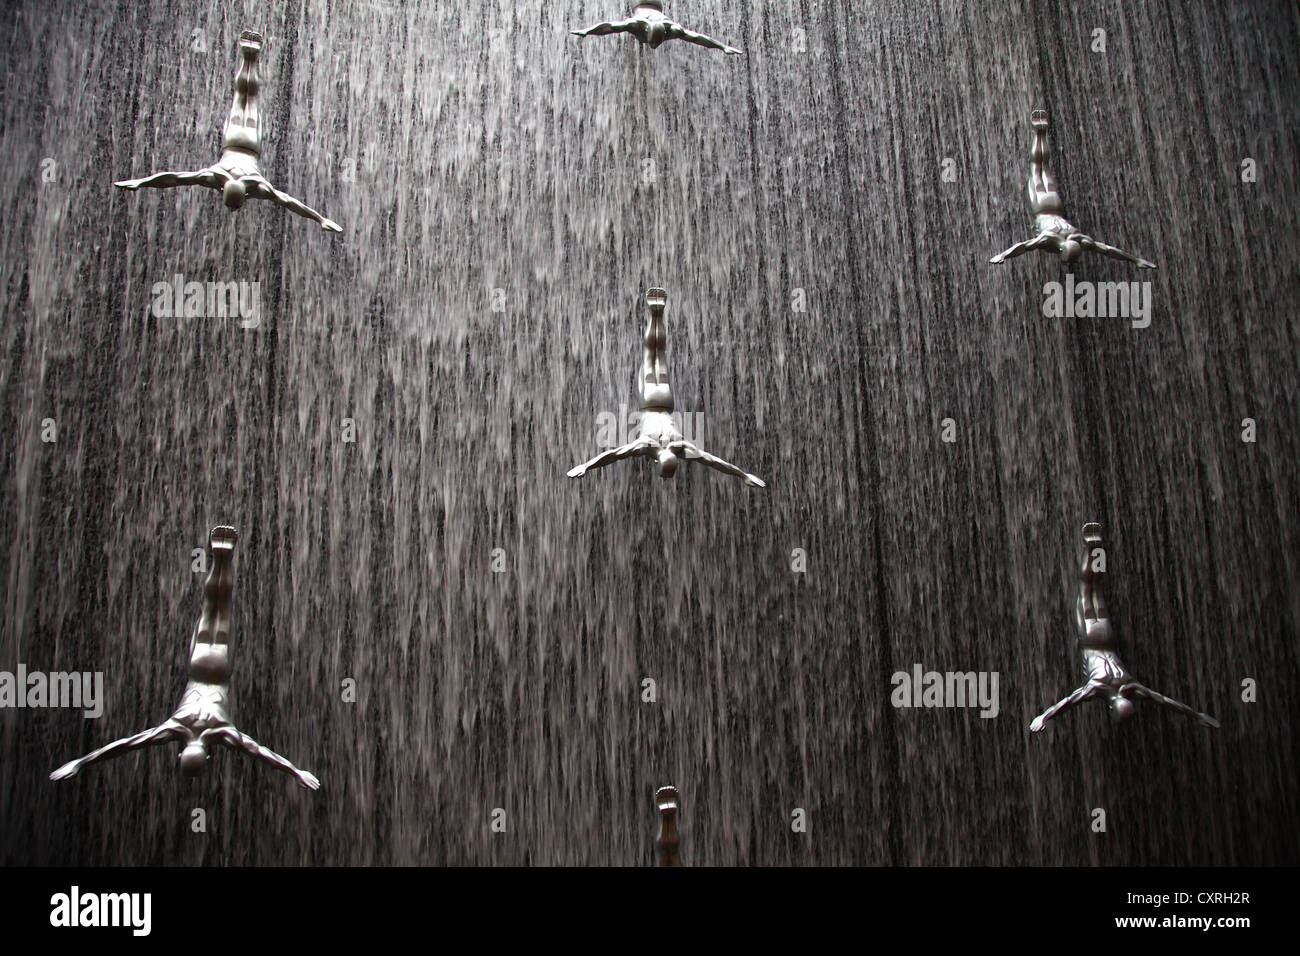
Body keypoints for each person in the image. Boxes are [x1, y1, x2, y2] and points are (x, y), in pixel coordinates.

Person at [50, 526, 321, 790]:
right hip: (197, 665)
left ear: (209, 754)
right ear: (181, 754)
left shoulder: (223, 732)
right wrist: (79, 762)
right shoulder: (174, 727)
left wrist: (296, 771)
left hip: (219, 668)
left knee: (221, 609)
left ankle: (223, 562)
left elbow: (260, 752)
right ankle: (219, 559)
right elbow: (125, 744)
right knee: (209, 606)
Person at [115, 31, 341, 232]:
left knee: (249, 98)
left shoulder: (255, 184)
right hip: (233, 139)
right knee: (241, 97)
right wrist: (140, 182)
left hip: (250, 145)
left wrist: (142, 182)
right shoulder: (217, 177)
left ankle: (251, 58)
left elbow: (289, 202)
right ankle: (248, 57)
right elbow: (174, 178)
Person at [1030, 523, 1218, 732]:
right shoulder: (1102, 687)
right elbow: (1068, 702)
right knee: (1087, 589)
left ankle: (1095, 549)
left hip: (1106, 636)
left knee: (1093, 588)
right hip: (1091, 638)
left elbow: (1163, 700)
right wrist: (1044, 716)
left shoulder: (1130, 687)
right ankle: (1092, 549)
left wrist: (1195, 715)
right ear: (1112, 706)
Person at [567, 289, 765, 487]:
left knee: (659, 355)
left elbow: (715, 462)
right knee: (649, 354)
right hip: (649, 402)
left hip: (666, 399)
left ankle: (657, 316)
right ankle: (655, 316)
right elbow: (613, 455)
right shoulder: (646, 445)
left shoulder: (681, 448)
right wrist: (586, 465)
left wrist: (744, 475)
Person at [990, 111, 1154, 268]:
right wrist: (1003, 255)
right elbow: (1023, 247)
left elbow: (1108, 249)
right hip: (1041, 206)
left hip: (1055, 204)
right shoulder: (1051, 239)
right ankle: (1038, 133)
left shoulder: (1079, 240)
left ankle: (1040, 133)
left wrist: (1136, 260)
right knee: (1038, 168)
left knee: (1042, 167)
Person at [571, 1, 742, 55]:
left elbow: (697, 38)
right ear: (646, 32)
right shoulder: (635, 24)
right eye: (653, 41)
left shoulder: (673, 30)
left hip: (656, 6)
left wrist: (723, 47)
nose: (654, 46)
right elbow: (608, 26)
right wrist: (588, 31)